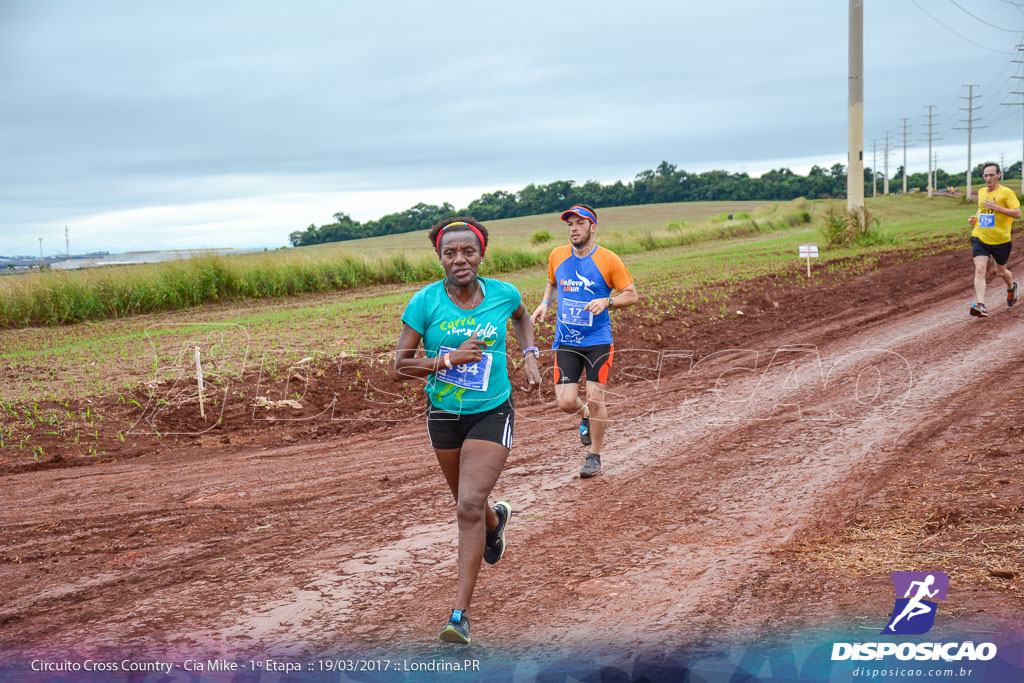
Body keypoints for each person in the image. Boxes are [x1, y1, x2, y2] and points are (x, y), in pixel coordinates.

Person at [394, 217, 541, 645]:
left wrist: (529, 353)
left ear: (481, 253)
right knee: (469, 504)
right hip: (443, 414)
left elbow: (521, 318)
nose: (460, 259)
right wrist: (447, 361)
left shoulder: (504, 293)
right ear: (439, 257)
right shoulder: (425, 302)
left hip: (492, 411)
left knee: (466, 507)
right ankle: (495, 524)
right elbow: (399, 366)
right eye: (450, 253)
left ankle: (459, 616)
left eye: (468, 251)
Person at [530, 204, 638, 478]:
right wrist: (544, 303)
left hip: (598, 340)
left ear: (593, 227)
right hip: (566, 340)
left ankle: (594, 457)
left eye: (580, 223)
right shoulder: (557, 255)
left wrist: (608, 300)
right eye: (570, 224)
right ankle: (586, 414)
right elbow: (553, 282)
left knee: (595, 395)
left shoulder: (608, 259)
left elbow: (631, 294)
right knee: (566, 402)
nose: (573, 228)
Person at [967, 161, 1021, 317]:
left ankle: (1011, 288)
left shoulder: (1007, 193)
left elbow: (1018, 214)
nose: (988, 178)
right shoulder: (982, 191)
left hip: (1001, 240)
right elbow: (982, 208)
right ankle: (981, 305)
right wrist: (975, 219)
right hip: (980, 237)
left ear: (999, 175)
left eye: (991, 175)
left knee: (1001, 271)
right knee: (980, 269)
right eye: (985, 175)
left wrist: (998, 208)